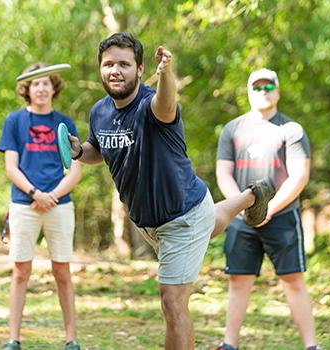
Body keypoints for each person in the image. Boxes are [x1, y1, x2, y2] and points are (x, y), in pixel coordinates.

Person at [65, 32, 275, 350]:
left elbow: (166, 102)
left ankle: (249, 197)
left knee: (172, 301)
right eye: (108, 64)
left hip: (181, 215)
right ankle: (251, 196)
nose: (115, 70)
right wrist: (80, 150)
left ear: (140, 68)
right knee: (209, 221)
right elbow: (100, 148)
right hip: (158, 219)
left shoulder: (152, 106)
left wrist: (167, 74)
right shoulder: (99, 111)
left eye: (124, 63)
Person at [214, 69, 318, 350]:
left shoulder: (291, 130)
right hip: (241, 218)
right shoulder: (232, 129)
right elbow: (223, 173)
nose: (263, 91)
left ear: (278, 90)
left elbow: (299, 175)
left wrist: (269, 208)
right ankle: (229, 344)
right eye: (256, 86)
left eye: (269, 85)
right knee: (239, 281)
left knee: (293, 281)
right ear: (248, 91)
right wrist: (240, 206)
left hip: (282, 217)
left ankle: (311, 345)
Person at [0, 62, 83, 350]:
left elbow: (75, 170)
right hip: (24, 204)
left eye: (46, 82)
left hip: (59, 205)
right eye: (36, 84)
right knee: (21, 272)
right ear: (27, 89)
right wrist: (35, 193)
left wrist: (52, 196)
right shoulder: (14, 121)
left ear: (54, 87)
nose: (42, 88)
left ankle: (71, 339)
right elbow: (11, 167)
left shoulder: (65, 123)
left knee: (62, 272)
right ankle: (13, 339)